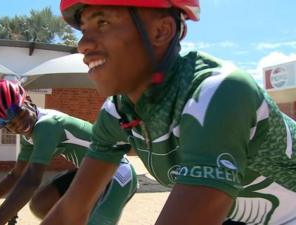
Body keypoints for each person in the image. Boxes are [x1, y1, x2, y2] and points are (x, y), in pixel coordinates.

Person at [41, 1, 296, 225]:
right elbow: (70, 213)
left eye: (103, 22)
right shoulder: (119, 111)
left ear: (161, 31)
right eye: (84, 29)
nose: (82, 44)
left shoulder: (217, 92)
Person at [0, 79, 138, 225]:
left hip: (117, 175)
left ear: (29, 101)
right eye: (7, 122)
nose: (17, 122)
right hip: (92, 173)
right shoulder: (28, 136)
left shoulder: (47, 125)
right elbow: (15, 176)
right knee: (41, 203)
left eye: (17, 111)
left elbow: (31, 180)